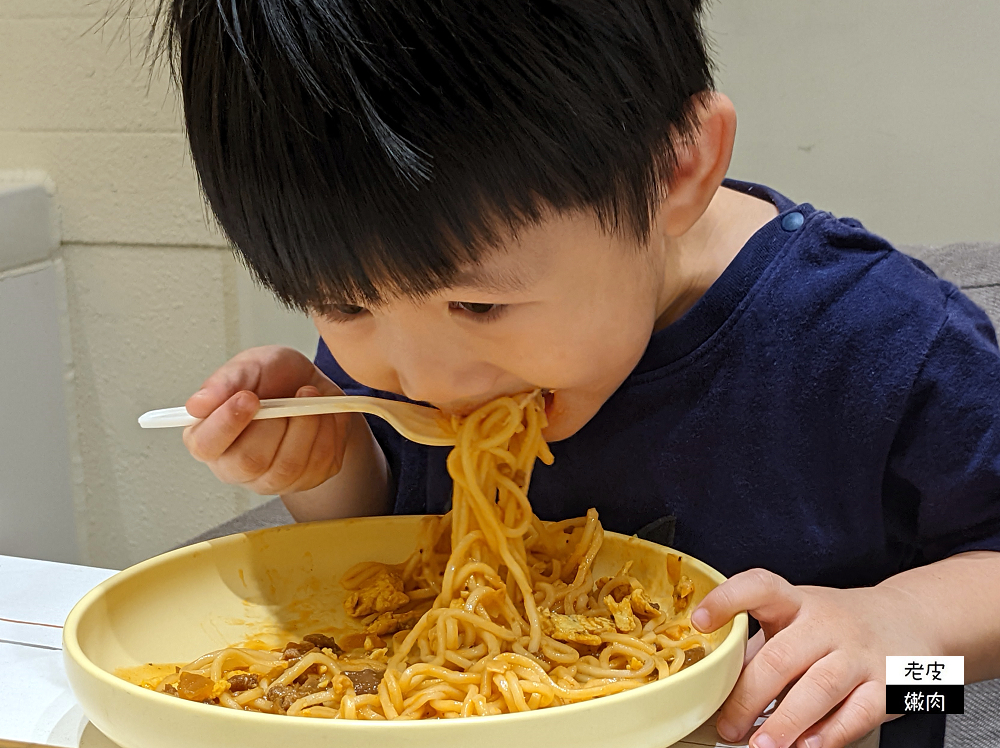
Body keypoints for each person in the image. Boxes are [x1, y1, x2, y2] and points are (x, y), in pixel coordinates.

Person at [153, 1, 1000, 746]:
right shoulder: (405, 357)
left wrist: (903, 641)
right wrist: (328, 466)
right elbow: (394, 541)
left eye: (478, 308)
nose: (425, 381)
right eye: (342, 305)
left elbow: (963, 670)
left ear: (677, 171)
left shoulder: (877, 338)